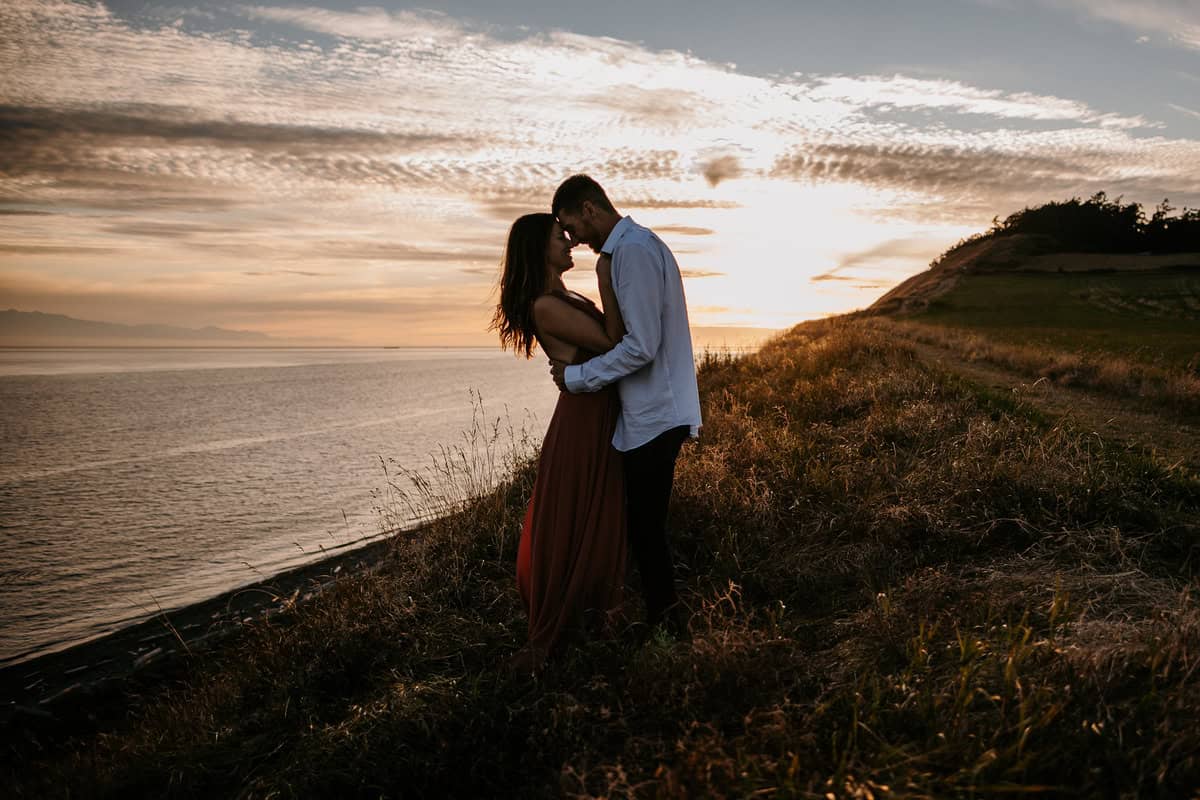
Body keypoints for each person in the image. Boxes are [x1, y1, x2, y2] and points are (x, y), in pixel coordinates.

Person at [549, 174, 702, 633]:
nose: (573, 239)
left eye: (571, 226)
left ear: (590, 210)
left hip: (656, 414)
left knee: (646, 530)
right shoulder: (632, 248)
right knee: (644, 527)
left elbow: (641, 346)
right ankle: (664, 621)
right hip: (651, 414)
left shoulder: (632, 252)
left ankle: (668, 629)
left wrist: (576, 378)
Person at [491, 212, 628, 668]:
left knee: (598, 510)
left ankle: (597, 612)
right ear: (539, 250)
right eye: (559, 236)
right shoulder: (545, 305)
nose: (570, 242)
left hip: (596, 408)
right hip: (584, 418)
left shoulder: (561, 295)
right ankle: (571, 618)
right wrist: (606, 271)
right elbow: (613, 338)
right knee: (583, 512)